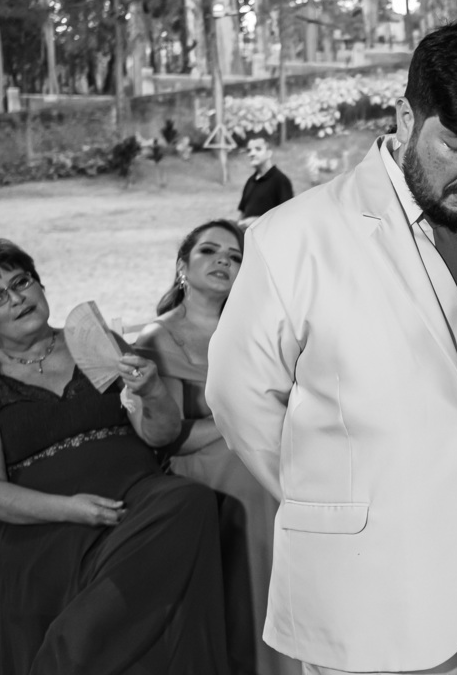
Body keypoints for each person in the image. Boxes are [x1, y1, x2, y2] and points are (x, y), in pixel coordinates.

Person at [206, 22, 457, 675]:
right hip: (370, 590)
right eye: (455, 144)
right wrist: (334, 500)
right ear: (403, 117)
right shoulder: (293, 237)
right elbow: (237, 396)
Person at [0, 239, 230, 675]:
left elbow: (161, 435)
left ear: (40, 284)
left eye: (21, 282)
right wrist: (72, 509)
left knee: (189, 501)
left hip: (135, 504)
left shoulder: (94, 342)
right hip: (41, 525)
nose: (17, 298)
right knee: (152, 543)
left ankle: (65, 656)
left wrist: (152, 390)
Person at [135, 220, 301, 675]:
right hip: (208, 488)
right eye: (209, 251)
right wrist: (245, 417)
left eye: (235, 255)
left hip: (273, 473)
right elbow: (166, 436)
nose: (223, 260)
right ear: (182, 267)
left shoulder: (261, 328)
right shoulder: (155, 340)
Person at [238, 137, 294, 228]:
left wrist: (256, 221)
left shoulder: (281, 180)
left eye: (258, 149)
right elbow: (242, 213)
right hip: (248, 239)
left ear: (269, 153)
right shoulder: (250, 181)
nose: (252, 153)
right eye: (249, 150)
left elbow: (286, 216)